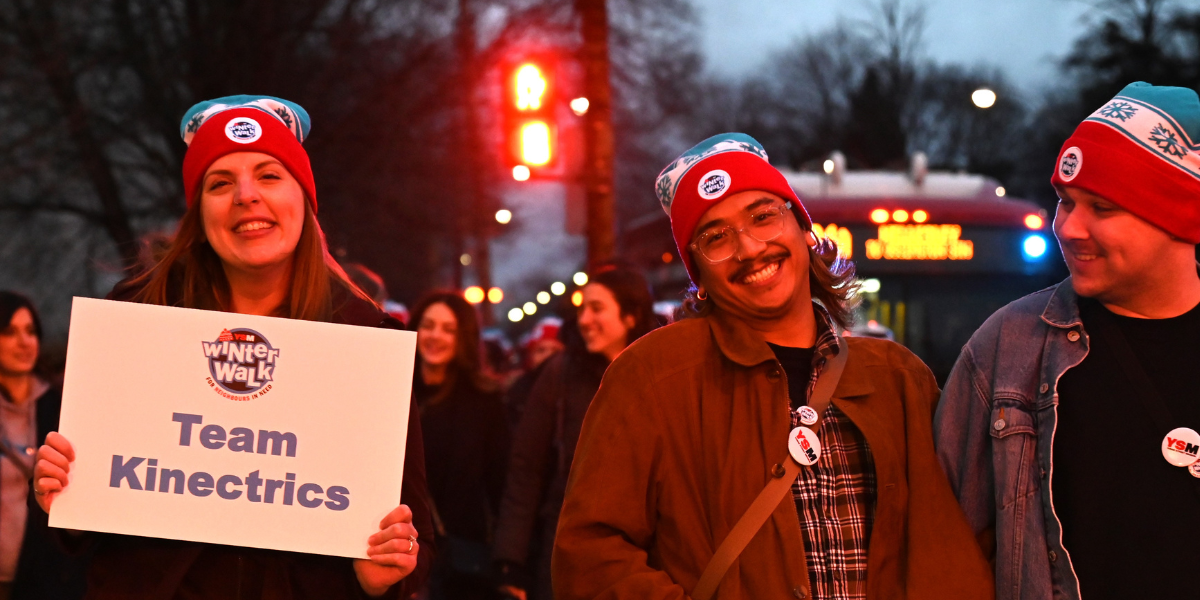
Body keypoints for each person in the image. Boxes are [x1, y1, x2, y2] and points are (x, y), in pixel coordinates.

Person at [551, 133, 992, 600]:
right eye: (715, 236)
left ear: (804, 229)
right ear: (698, 274)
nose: (750, 248)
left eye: (764, 216)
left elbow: (949, 544)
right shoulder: (649, 377)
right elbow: (589, 557)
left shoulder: (899, 379)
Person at [31, 95, 433, 599]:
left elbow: (412, 530)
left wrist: (385, 573)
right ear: (199, 213)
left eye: (269, 175)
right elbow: (82, 520)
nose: (246, 196)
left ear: (303, 199)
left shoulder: (367, 344)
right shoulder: (136, 323)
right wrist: (61, 494)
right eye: (220, 183)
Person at [935, 82, 1200, 600]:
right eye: (1065, 201)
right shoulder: (1006, 349)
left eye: (1102, 207)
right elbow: (942, 550)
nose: (1068, 228)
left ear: (1180, 217)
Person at [493, 266, 659, 600]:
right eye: (582, 308)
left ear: (631, 316)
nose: (584, 319)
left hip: (649, 553)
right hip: (568, 551)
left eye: (597, 308)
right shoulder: (560, 376)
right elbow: (526, 471)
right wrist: (510, 561)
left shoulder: (662, 370)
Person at [410, 293, 509, 600]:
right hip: (399, 547)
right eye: (428, 326)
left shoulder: (485, 401)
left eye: (448, 329)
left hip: (462, 554)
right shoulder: (395, 390)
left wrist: (509, 559)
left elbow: (500, 482)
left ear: (463, 338)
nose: (435, 336)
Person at [0, 293, 88, 600]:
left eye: (31, 331)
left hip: (44, 577)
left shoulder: (62, 406)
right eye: (9, 332)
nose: (24, 342)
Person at [501, 318, 564, 429]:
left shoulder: (578, 387)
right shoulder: (517, 393)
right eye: (541, 350)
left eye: (555, 350)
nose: (548, 356)